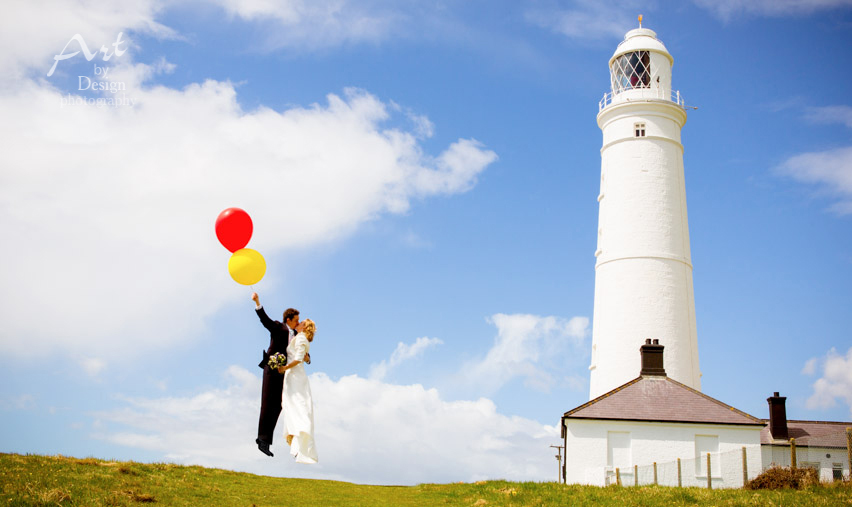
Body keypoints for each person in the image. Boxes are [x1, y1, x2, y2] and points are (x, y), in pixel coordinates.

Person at [251, 292, 297, 457]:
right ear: (288, 319)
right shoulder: (279, 327)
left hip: (283, 373)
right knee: (267, 403)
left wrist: (307, 357)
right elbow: (265, 320)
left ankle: (266, 440)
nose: (298, 322)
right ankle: (262, 440)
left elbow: (299, 351)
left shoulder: (296, 335)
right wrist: (257, 302)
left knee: (277, 405)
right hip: (271, 369)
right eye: (296, 320)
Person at [277, 319, 318, 464]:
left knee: (297, 409)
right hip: (293, 376)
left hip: (295, 377)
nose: (298, 323)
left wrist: (284, 368)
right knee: (291, 407)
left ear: (304, 327)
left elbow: (299, 358)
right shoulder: (300, 338)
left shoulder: (301, 338)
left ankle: (298, 445)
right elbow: (303, 356)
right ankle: (295, 442)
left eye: (301, 322)